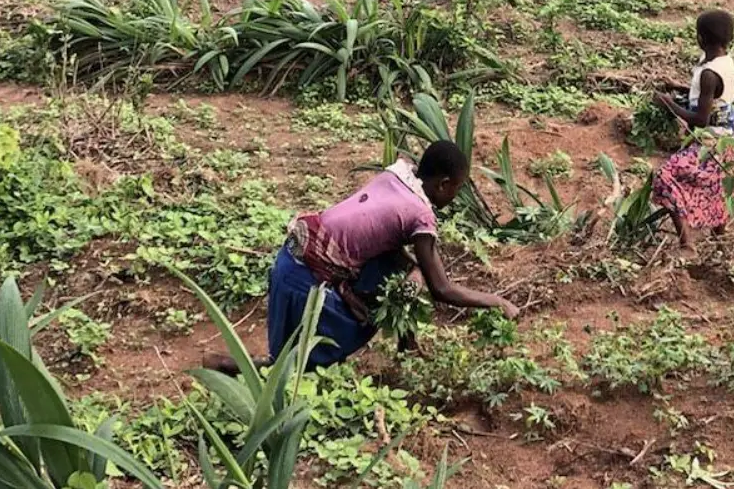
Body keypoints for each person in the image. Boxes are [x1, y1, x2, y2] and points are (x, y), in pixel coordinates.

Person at [214, 139, 519, 371]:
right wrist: (497, 301)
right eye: (457, 188)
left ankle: (408, 348)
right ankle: (225, 366)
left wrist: (413, 273)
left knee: (401, 281)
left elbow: (386, 244)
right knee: (292, 365)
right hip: (304, 275)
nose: (455, 196)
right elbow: (442, 288)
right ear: (442, 184)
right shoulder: (421, 215)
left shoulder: (398, 175)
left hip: (292, 256)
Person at [651, 9, 734, 249]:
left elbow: (701, 118)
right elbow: (711, 98)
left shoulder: (709, 74)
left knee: (665, 177)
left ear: (701, 38)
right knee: (714, 187)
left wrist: (669, 104)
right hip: (728, 139)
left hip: (711, 144)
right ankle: (722, 238)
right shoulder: (723, 62)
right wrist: (679, 88)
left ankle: (686, 243)